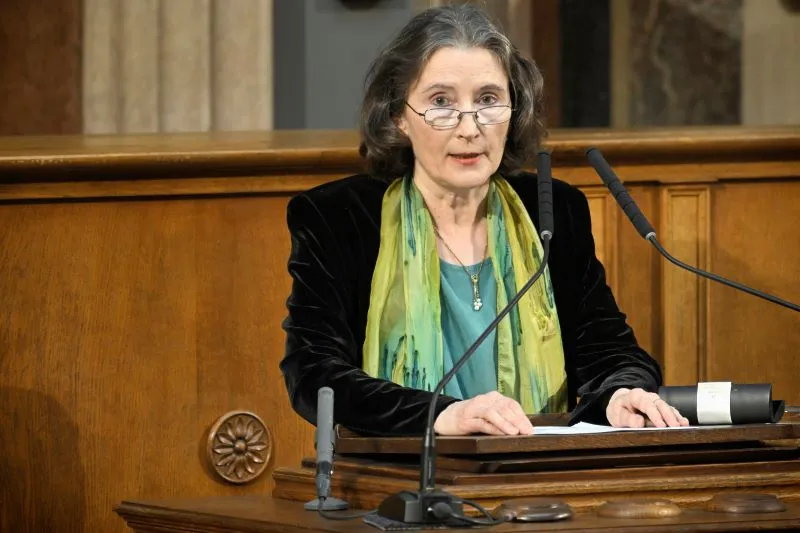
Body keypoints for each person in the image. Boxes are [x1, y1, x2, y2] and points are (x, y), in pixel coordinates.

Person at [280, 4, 688, 437]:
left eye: (488, 100)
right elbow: (313, 374)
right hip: (402, 485)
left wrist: (622, 392)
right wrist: (442, 414)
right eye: (441, 103)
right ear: (398, 116)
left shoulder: (552, 211)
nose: (470, 127)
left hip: (539, 481)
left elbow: (609, 349)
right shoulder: (340, 218)